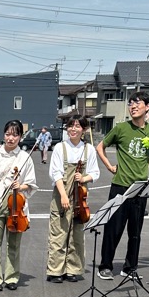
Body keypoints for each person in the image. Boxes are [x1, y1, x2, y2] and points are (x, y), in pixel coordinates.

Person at [95, 92, 149, 279]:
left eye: (138, 103)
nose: (133, 106)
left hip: (141, 187)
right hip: (120, 185)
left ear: (148, 107)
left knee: (135, 231)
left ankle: (130, 267)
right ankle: (105, 266)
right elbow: (100, 147)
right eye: (131, 104)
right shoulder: (120, 128)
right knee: (113, 228)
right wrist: (110, 166)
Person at [0, 120, 37, 291]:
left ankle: (12, 277)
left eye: (15, 134)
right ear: (3, 135)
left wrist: (21, 186)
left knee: (14, 244)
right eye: (8, 134)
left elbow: (32, 184)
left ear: (20, 137)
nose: (11, 138)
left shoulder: (25, 158)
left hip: (16, 206)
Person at [46, 115, 100, 282]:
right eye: (70, 126)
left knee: (77, 233)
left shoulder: (89, 149)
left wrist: (83, 179)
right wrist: (63, 195)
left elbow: (95, 173)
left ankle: (73, 269)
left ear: (83, 129)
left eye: (77, 126)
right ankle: (55, 270)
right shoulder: (59, 148)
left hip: (80, 196)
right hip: (61, 193)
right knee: (59, 233)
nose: (73, 129)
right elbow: (55, 173)